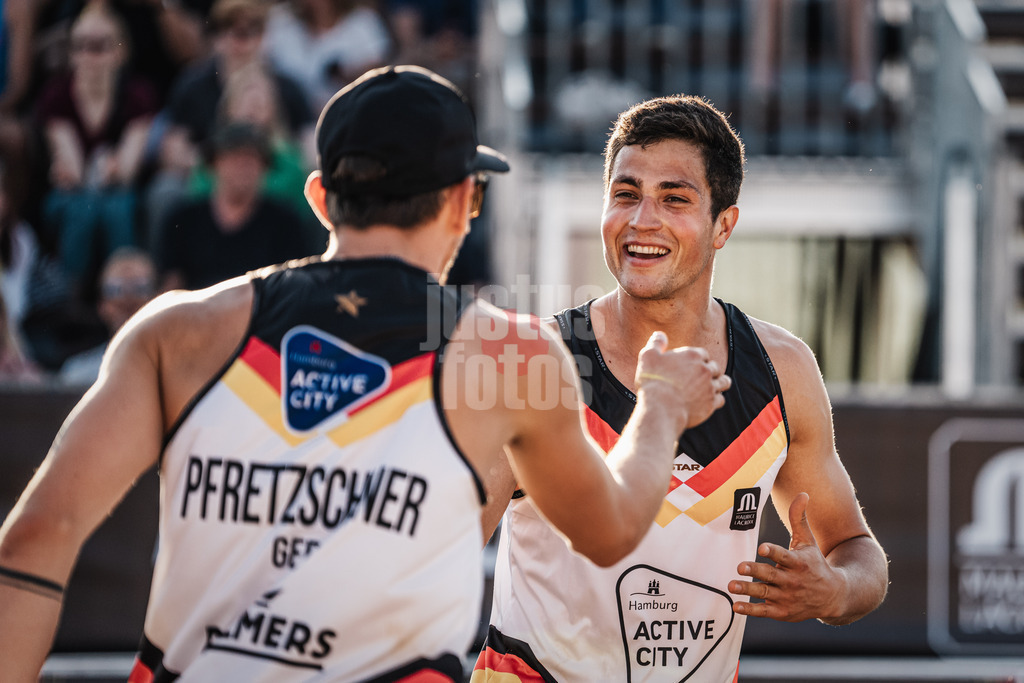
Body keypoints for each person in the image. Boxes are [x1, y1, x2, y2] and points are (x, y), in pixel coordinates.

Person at [0, 65, 730, 682]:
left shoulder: (175, 330)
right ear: (463, 202)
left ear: (319, 197)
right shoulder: (511, 355)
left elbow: (33, 540)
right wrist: (661, 404)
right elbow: (609, 531)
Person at [474, 95, 889, 683]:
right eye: (625, 194)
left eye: (674, 198)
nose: (643, 219)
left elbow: (857, 549)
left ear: (724, 225)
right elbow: (447, 548)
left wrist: (834, 590)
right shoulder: (537, 364)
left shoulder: (782, 370)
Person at [34, 0, 159, 301]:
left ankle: (123, 297)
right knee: (82, 209)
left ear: (120, 50)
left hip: (118, 195)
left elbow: (126, 172)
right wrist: (103, 168)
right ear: (71, 52)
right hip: (68, 199)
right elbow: (73, 172)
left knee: (116, 207)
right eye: (81, 45)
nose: (89, 55)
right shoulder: (56, 96)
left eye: (100, 45)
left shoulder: (138, 95)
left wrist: (106, 170)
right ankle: (69, 301)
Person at [156, 121, 315, 291]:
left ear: (264, 167)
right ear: (213, 164)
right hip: (197, 313)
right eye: (234, 157)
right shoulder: (183, 220)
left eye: (251, 159)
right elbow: (171, 288)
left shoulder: (285, 222)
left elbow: (293, 287)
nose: (243, 167)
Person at [59, 246, 156, 385]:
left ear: (158, 299)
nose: (127, 301)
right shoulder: (75, 375)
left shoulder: (177, 372)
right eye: (116, 289)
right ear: (101, 305)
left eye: (140, 288)